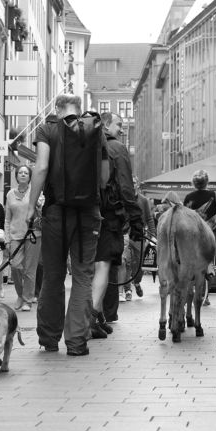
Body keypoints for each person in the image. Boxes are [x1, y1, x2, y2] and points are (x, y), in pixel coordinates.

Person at [27, 94, 108, 357]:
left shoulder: (47, 129)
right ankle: (76, 342)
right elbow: (105, 177)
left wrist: (31, 208)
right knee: (83, 276)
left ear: (58, 109)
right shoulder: (96, 130)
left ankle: (49, 339)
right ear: (79, 110)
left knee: (53, 275)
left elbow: (40, 168)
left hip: (56, 212)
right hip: (88, 213)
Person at [91, 112, 143, 337]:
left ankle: (98, 315)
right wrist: (136, 218)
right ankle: (93, 316)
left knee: (89, 268)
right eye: (119, 125)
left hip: (83, 215)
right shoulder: (117, 149)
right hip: (108, 216)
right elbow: (125, 187)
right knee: (105, 265)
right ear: (105, 125)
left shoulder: (86, 146)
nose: (122, 129)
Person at [184, 169, 216, 305]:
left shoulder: (189, 197)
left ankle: (192, 292)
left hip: (193, 235)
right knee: (208, 263)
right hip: (211, 235)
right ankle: (205, 295)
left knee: (193, 263)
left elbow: (185, 216)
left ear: (194, 182)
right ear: (207, 182)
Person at [4, 165, 41, 312]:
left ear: (30, 176)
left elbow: (42, 212)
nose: (23, 174)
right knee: (15, 266)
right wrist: (6, 238)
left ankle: (27, 300)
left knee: (30, 271)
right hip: (15, 235)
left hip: (33, 235)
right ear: (16, 176)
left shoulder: (36, 192)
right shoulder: (10, 194)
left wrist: (39, 204)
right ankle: (20, 295)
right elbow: (7, 219)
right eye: (20, 172)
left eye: (26, 172)